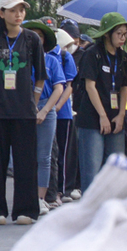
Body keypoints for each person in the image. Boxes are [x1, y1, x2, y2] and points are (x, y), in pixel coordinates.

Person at [0, 0, 46, 225]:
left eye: (21, 10)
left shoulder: (32, 39)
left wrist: (33, 101)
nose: (18, 14)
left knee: (26, 162)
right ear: (1, 13)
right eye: (13, 10)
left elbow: (41, 77)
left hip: (24, 111)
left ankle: (26, 210)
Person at [74, 12, 127, 191]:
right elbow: (90, 86)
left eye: (125, 34)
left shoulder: (122, 57)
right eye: (119, 34)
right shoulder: (92, 54)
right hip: (93, 117)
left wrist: (121, 115)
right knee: (92, 169)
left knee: (115, 169)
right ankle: (90, 214)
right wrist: (102, 116)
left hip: (115, 117)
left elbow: (123, 87)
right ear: (107, 34)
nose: (123, 38)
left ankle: (111, 212)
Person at [34, 27, 74, 207]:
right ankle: (27, 197)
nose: (36, 38)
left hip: (47, 108)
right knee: (26, 155)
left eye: (40, 35)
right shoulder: (20, 60)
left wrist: (47, 109)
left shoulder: (52, 60)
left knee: (45, 156)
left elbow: (61, 87)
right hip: (24, 108)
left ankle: (41, 198)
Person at [53, 20, 84, 198]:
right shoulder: (50, 56)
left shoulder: (71, 57)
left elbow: (68, 85)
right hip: (49, 110)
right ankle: (52, 188)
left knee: (68, 151)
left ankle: (67, 187)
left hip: (67, 110)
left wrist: (57, 106)